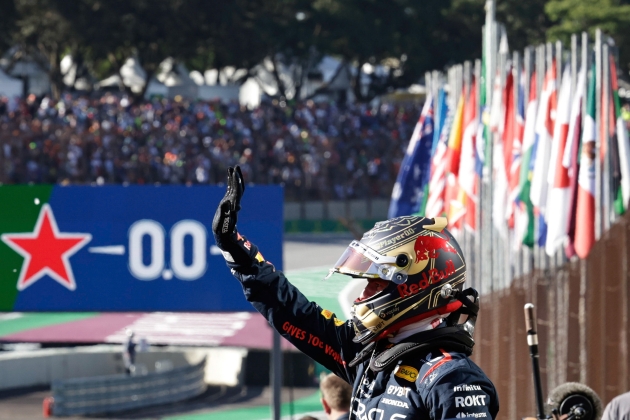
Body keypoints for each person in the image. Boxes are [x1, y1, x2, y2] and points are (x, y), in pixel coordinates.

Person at [212, 166, 499, 420]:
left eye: (375, 283)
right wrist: (236, 251)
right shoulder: (369, 354)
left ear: (416, 284)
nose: (363, 294)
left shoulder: (451, 379)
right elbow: (294, 313)